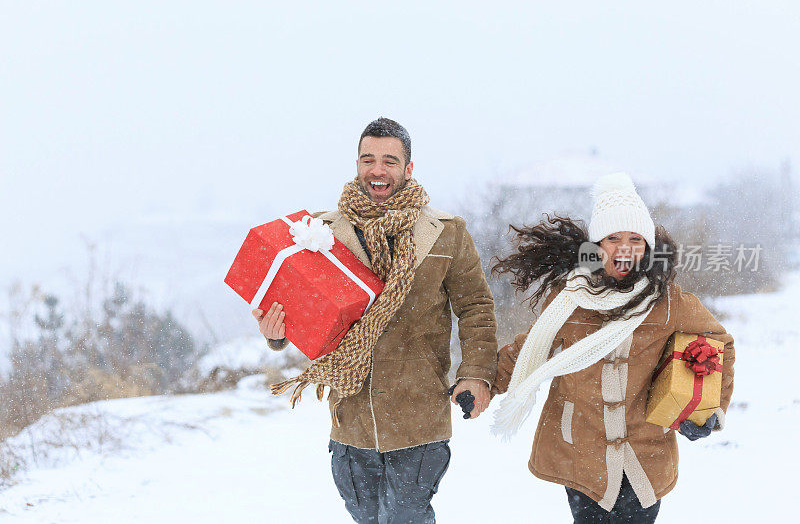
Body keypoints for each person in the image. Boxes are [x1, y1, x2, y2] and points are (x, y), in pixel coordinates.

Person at [253, 117, 498, 523]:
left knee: (404, 518)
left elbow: (475, 306)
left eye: (389, 160)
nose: (377, 170)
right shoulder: (320, 233)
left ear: (408, 169)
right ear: (357, 165)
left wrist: (475, 373)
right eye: (368, 159)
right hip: (351, 420)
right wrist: (277, 334)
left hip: (418, 417)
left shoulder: (446, 233)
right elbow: (299, 310)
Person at [491, 173, 735, 523]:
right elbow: (531, 347)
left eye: (635, 238)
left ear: (648, 246)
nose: (624, 247)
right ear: (597, 245)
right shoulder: (570, 297)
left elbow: (720, 344)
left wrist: (709, 409)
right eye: (613, 238)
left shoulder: (669, 303)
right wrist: (483, 382)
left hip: (646, 453)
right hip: (581, 451)